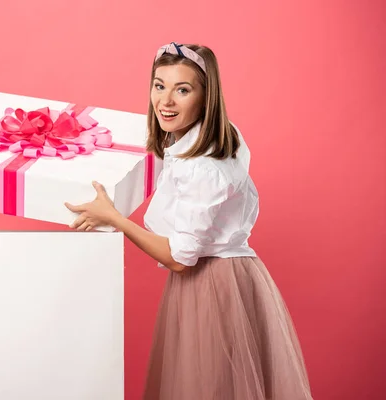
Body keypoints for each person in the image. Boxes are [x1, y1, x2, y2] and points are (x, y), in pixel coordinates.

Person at [65, 42, 313, 400]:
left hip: (212, 284)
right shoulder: (210, 138)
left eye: (182, 90)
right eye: (159, 85)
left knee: (209, 386)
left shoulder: (203, 166)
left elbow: (180, 259)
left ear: (205, 97)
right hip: (229, 277)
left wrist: (115, 218)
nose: (165, 101)